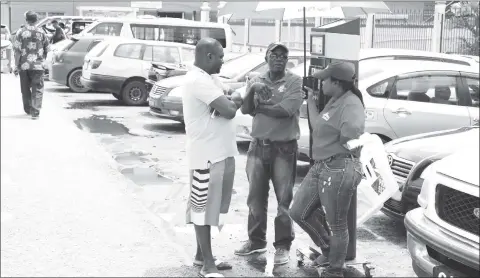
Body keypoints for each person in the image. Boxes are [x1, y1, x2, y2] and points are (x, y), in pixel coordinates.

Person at [289, 62, 365, 278]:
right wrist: (311, 98)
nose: (321, 83)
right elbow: (318, 124)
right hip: (322, 164)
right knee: (298, 212)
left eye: (324, 80)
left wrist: (341, 141)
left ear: (337, 83)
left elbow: (351, 135)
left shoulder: (351, 104)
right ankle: (329, 250)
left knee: (337, 223)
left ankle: (335, 270)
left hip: (339, 167)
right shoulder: (335, 100)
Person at [235, 42, 303, 265]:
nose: (279, 59)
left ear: (287, 60)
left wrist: (260, 108)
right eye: (274, 54)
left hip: (284, 149)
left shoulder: (294, 81)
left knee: (284, 200)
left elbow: (286, 110)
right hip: (258, 146)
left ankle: (283, 246)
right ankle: (256, 241)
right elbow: (245, 109)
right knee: (255, 198)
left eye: (283, 56)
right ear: (266, 57)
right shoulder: (257, 81)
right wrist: (253, 90)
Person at [182, 38, 244, 278]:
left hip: (220, 153)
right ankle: (208, 264)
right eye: (220, 56)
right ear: (209, 57)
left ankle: (201, 256)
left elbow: (228, 99)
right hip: (206, 156)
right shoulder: (197, 80)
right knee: (202, 209)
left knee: (213, 207)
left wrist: (233, 97)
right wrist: (237, 98)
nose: (222, 60)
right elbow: (228, 110)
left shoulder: (209, 78)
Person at [12, 11, 50, 119]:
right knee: (37, 89)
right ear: (37, 20)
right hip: (38, 66)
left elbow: (17, 51)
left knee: (25, 89)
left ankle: (28, 109)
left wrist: (16, 65)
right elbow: (47, 49)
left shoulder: (20, 32)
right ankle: (35, 112)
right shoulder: (42, 32)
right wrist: (43, 62)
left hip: (24, 65)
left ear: (26, 19)